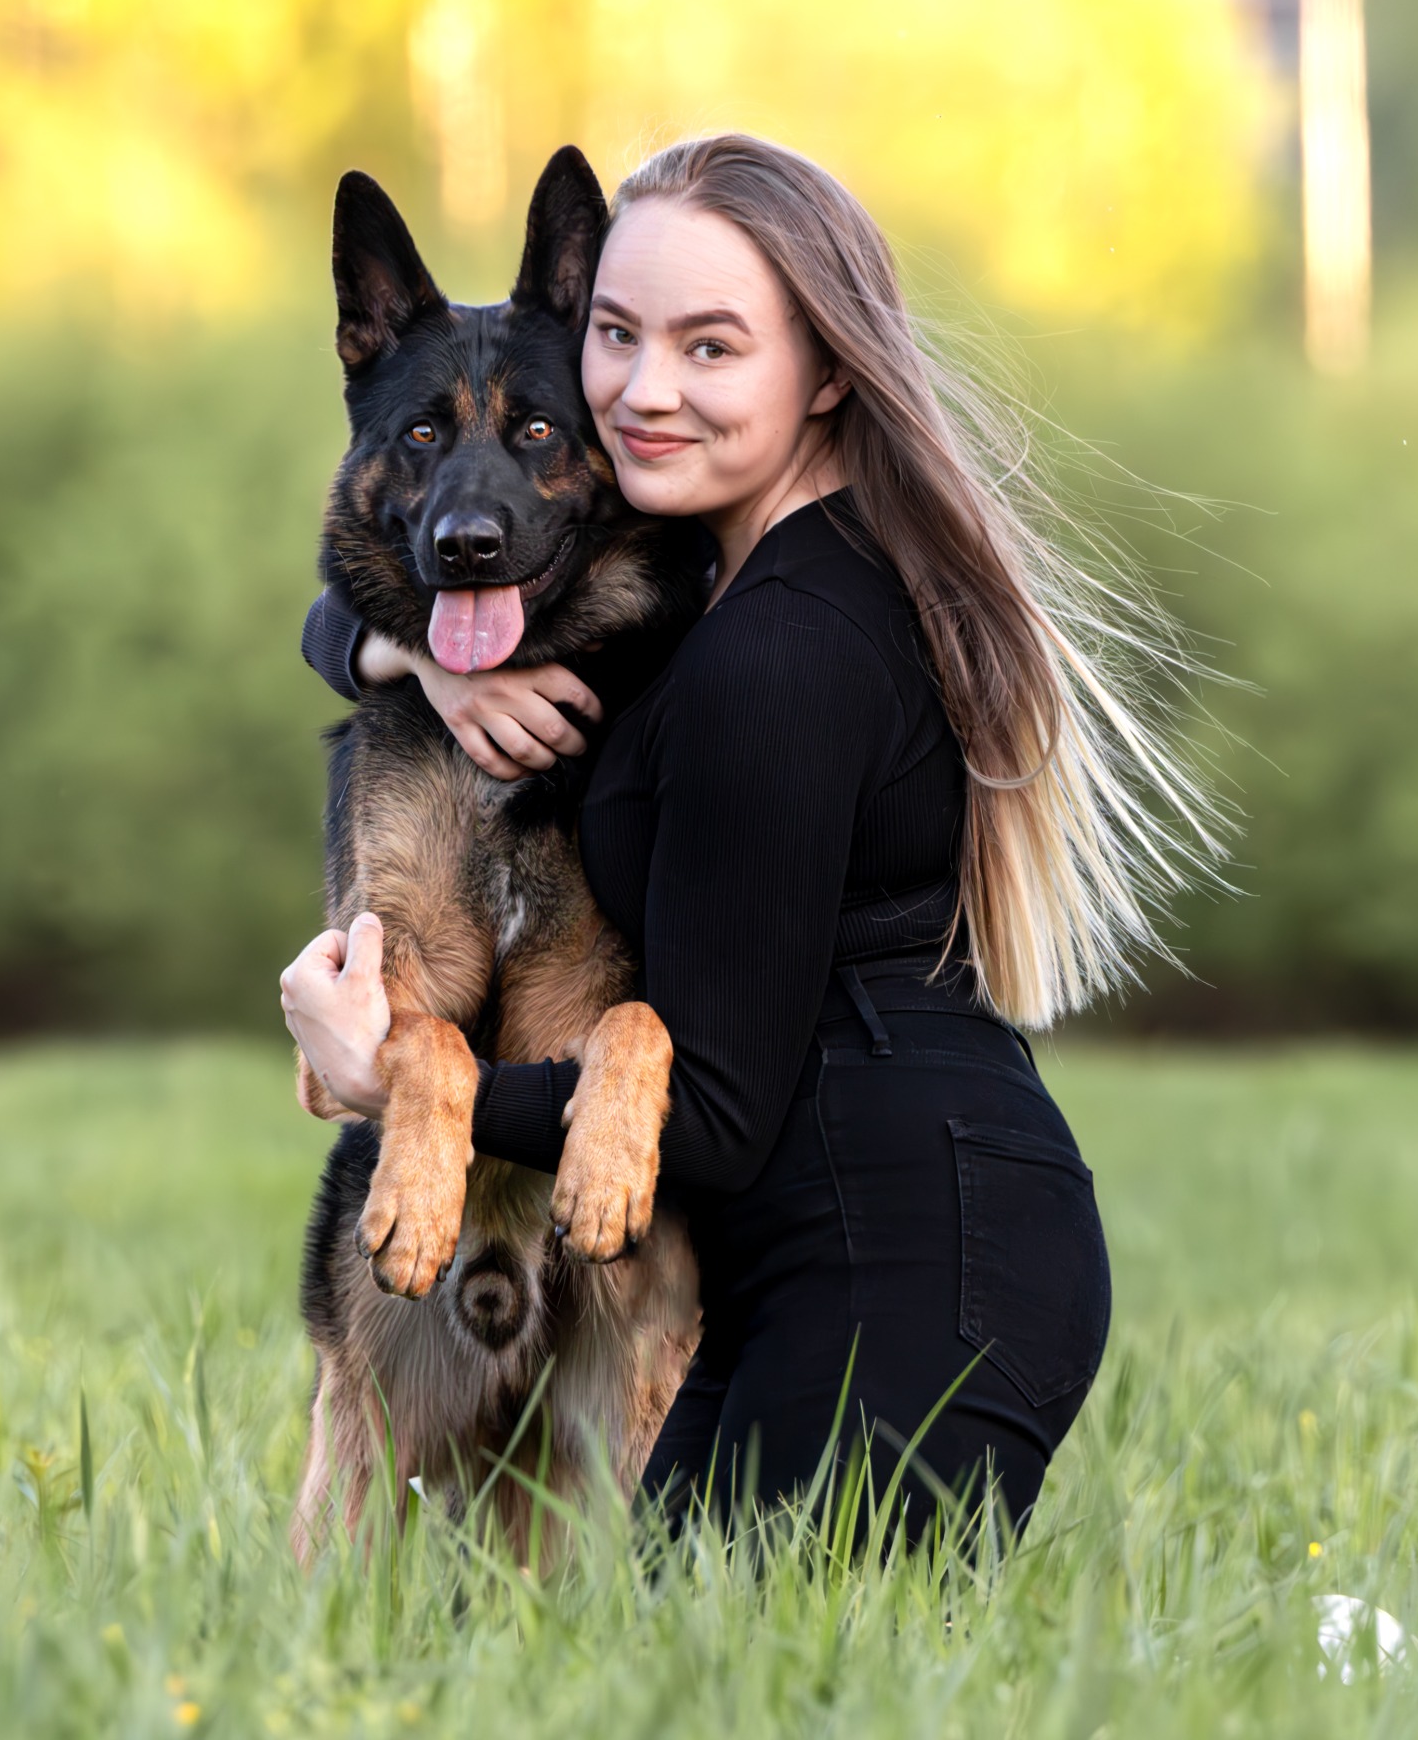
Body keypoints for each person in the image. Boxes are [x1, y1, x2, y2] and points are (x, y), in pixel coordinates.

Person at [280, 133, 1222, 1535]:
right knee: (663, 1636)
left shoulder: (773, 648)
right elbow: (364, 598)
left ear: (827, 370)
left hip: (902, 1272)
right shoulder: (726, 587)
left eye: (710, 347)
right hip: (820, 1256)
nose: (646, 390)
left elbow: (710, 1122)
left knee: (770, 1643)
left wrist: (397, 1078)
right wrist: (408, 655)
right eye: (618, 336)